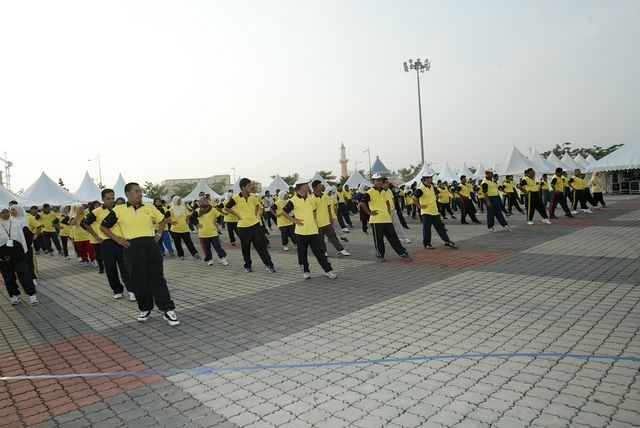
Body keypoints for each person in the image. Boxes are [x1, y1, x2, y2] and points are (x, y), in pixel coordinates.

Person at [101, 182, 179, 326]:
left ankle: (167, 309)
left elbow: (162, 220)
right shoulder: (119, 210)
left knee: (157, 278)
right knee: (138, 280)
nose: (140, 194)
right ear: (128, 194)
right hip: (132, 249)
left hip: (150, 246)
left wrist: (158, 234)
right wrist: (118, 240)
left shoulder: (149, 207)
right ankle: (145, 308)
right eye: (136, 191)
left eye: (140, 191)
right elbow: (104, 227)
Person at [281, 178, 337, 279]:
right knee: (302, 254)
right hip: (301, 232)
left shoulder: (311, 198)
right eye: (306, 185)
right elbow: (283, 212)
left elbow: (314, 211)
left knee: (320, 253)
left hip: (313, 231)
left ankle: (328, 270)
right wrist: (294, 220)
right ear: (301, 187)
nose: (308, 186)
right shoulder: (293, 200)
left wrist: (313, 220)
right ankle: (305, 271)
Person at [84, 189, 134, 301]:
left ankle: (131, 290)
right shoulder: (97, 211)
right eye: (108, 199)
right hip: (107, 243)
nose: (111, 201)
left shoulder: (119, 209)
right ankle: (117, 290)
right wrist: (96, 237)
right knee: (110, 268)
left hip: (122, 242)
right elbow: (85, 223)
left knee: (125, 267)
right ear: (103, 199)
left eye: (112, 198)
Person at [225, 178, 276, 273]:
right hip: (243, 227)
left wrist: (255, 214)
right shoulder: (236, 198)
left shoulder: (252, 196)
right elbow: (227, 208)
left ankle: (269, 265)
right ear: (243, 187)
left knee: (261, 246)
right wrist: (237, 215)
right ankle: (248, 265)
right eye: (249, 186)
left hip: (255, 225)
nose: (251, 187)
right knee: (245, 248)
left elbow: (257, 205)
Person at [359, 174, 412, 262]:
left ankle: (402, 252)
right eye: (377, 180)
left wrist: (387, 211)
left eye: (381, 180)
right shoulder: (370, 192)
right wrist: (369, 212)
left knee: (394, 237)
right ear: (373, 182)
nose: (380, 182)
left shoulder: (383, 191)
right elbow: (362, 203)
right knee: (379, 240)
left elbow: (387, 201)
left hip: (387, 219)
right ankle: (380, 255)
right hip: (376, 220)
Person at [1, 205, 38, 306]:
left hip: (18, 253)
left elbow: (25, 237)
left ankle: (32, 295)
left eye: (6, 211)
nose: (5, 214)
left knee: (24, 274)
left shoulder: (17, 223)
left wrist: (25, 250)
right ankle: (14, 296)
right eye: (2, 212)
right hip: (3, 255)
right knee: (8, 277)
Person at [412, 173, 457, 249]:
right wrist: (419, 206)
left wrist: (437, 196)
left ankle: (447, 241)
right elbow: (414, 197)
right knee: (427, 229)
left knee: (440, 227)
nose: (432, 179)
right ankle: (427, 244)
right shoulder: (421, 188)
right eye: (430, 178)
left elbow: (436, 194)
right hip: (426, 212)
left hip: (434, 211)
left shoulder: (432, 186)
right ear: (426, 179)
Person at [312, 180, 351, 257]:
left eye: (321, 185)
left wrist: (330, 217)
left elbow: (328, 207)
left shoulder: (325, 195)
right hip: (319, 223)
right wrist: (314, 222)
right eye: (319, 186)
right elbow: (314, 211)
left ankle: (341, 250)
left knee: (333, 236)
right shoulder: (312, 198)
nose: (321, 186)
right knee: (321, 239)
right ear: (315, 188)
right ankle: (324, 251)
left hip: (327, 221)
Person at [190, 196, 229, 266]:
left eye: (207, 200)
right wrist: (197, 224)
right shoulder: (198, 210)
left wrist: (218, 222)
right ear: (201, 201)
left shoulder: (213, 209)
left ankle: (222, 258)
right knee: (207, 248)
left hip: (213, 232)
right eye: (205, 200)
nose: (207, 201)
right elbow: (191, 218)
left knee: (217, 246)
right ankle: (209, 259)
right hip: (203, 233)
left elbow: (219, 217)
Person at [84, 201, 105, 274]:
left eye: (99, 205)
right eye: (96, 205)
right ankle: (101, 268)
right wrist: (95, 236)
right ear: (92, 207)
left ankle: (107, 266)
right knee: (98, 254)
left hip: (103, 236)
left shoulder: (102, 213)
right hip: (94, 237)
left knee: (105, 253)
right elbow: (85, 226)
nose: (98, 207)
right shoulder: (89, 216)